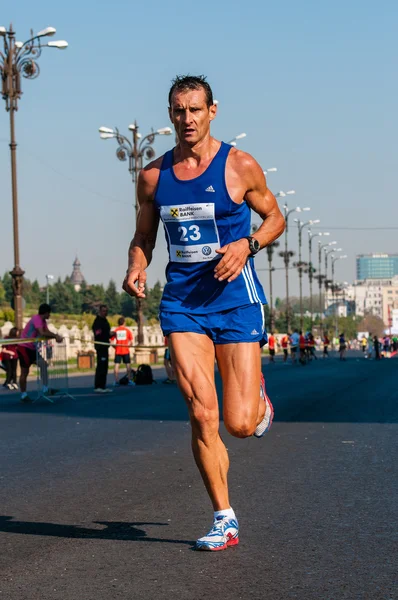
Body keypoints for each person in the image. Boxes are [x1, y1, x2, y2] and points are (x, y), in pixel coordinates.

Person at [123, 74, 285, 551]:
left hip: (235, 299)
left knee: (239, 422)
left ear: (212, 111)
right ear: (170, 114)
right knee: (201, 412)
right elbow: (144, 237)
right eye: (178, 110)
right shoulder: (154, 176)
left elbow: (275, 218)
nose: (187, 119)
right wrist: (136, 265)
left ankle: (257, 398)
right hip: (183, 304)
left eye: (195, 109)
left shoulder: (239, 165)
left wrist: (247, 244)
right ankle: (224, 517)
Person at [18, 303, 63, 403]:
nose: (49, 316)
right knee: (25, 372)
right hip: (24, 347)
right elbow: (42, 333)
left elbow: (47, 332)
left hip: (32, 348)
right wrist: (55, 336)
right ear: (46, 313)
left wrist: (56, 337)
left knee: (43, 364)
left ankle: (45, 388)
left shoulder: (43, 322)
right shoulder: (37, 319)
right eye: (49, 313)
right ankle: (23, 395)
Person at [92, 304, 112, 393]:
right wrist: (108, 334)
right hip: (101, 347)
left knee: (105, 366)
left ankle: (103, 386)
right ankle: (98, 386)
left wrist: (109, 334)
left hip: (105, 346)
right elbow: (98, 333)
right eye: (104, 311)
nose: (105, 313)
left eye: (106, 311)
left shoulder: (105, 320)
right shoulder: (97, 322)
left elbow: (105, 332)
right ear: (100, 311)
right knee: (101, 366)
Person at [111, 317, 134, 385]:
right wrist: (128, 346)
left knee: (116, 365)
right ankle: (129, 380)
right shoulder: (127, 330)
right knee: (128, 365)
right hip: (125, 350)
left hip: (118, 350)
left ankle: (116, 380)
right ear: (124, 322)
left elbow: (111, 341)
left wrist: (115, 347)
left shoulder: (116, 331)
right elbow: (131, 341)